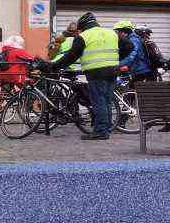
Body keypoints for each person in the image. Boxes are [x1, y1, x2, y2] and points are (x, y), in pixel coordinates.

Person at [40, 12, 133, 140]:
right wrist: (116, 57)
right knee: (106, 100)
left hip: (96, 72)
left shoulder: (84, 36)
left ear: (83, 26)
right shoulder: (111, 33)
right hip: (113, 70)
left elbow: (71, 57)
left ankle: (100, 131)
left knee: (98, 101)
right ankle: (106, 129)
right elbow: (129, 45)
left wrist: (54, 66)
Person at [113, 20, 147, 85]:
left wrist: (117, 66)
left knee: (132, 92)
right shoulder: (129, 40)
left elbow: (131, 57)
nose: (117, 35)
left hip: (139, 71)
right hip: (135, 70)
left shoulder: (134, 41)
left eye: (118, 32)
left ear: (124, 32)